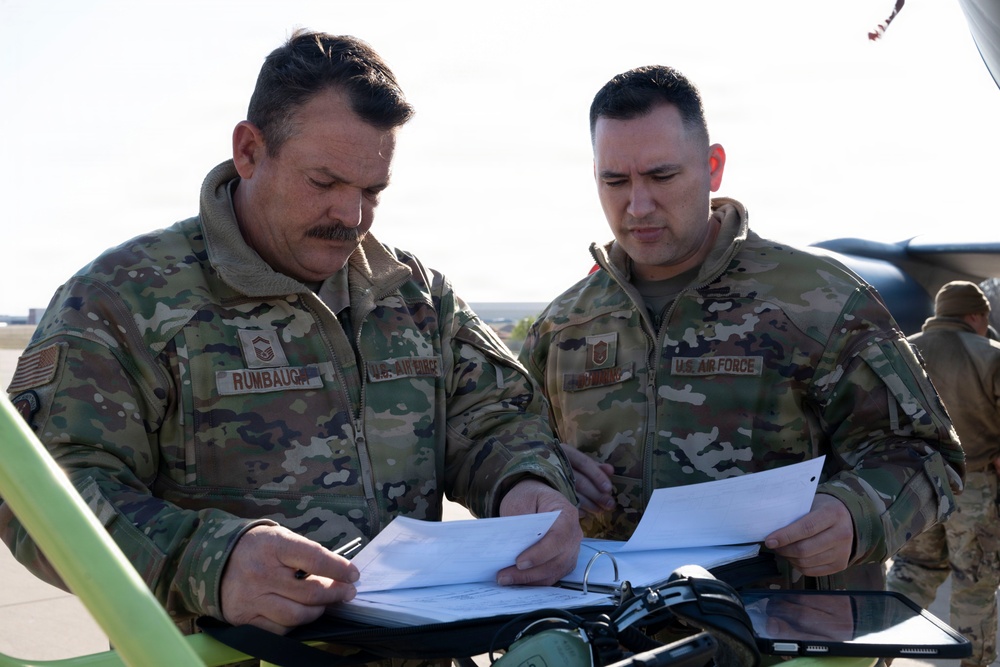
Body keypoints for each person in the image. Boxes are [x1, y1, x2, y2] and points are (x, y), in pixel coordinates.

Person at [0, 30, 582, 638]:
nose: (352, 218)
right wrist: (209, 562)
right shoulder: (125, 298)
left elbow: (493, 418)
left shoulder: (412, 295)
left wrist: (526, 485)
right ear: (250, 151)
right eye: (324, 183)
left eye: (372, 192)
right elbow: (39, 496)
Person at [518, 64, 965, 591]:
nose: (637, 205)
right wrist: (540, 471)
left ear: (713, 167)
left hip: (784, 633)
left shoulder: (820, 301)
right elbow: (512, 449)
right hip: (614, 630)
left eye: (662, 176)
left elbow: (928, 454)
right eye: (614, 181)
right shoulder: (564, 324)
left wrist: (854, 514)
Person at [887, 280, 1000, 667]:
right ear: (975, 315)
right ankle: (975, 663)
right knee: (975, 582)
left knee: (911, 573)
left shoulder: (902, 352)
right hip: (975, 486)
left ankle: (876, 654)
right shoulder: (991, 356)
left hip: (914, 484)